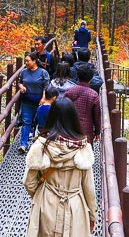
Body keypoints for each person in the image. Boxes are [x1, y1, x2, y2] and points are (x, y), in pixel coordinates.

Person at [23, 98, 97, 237]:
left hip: (46, 203)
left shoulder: (41, 146)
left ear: (51, 117)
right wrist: (92, 215)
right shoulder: (83, 148)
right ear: (74, 118)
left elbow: (28, 182)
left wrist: (40, 196)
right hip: (75, 205)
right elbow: (89, 188)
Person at [18, 51, 50, 153]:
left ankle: (40, 145)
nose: (26, 63)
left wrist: (44, 97)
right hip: (27, 100)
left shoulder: (42, 72)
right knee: (26, 122)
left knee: (39, 123)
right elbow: (19, 81)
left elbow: (46, 86)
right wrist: (21, 86)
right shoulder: (24, 72)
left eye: (27, 61)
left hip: (39, 101)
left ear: (34, 61)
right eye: (25, 61)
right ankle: (23, 144)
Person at [64, 65, 101, 144]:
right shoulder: (93, 94)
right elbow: (97, 116)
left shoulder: (68, 91)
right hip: (86, 131)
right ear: (91, 78)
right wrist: (97, 132)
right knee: (86, 153)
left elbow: (63, 109)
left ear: (78, 76)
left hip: (69, 128)